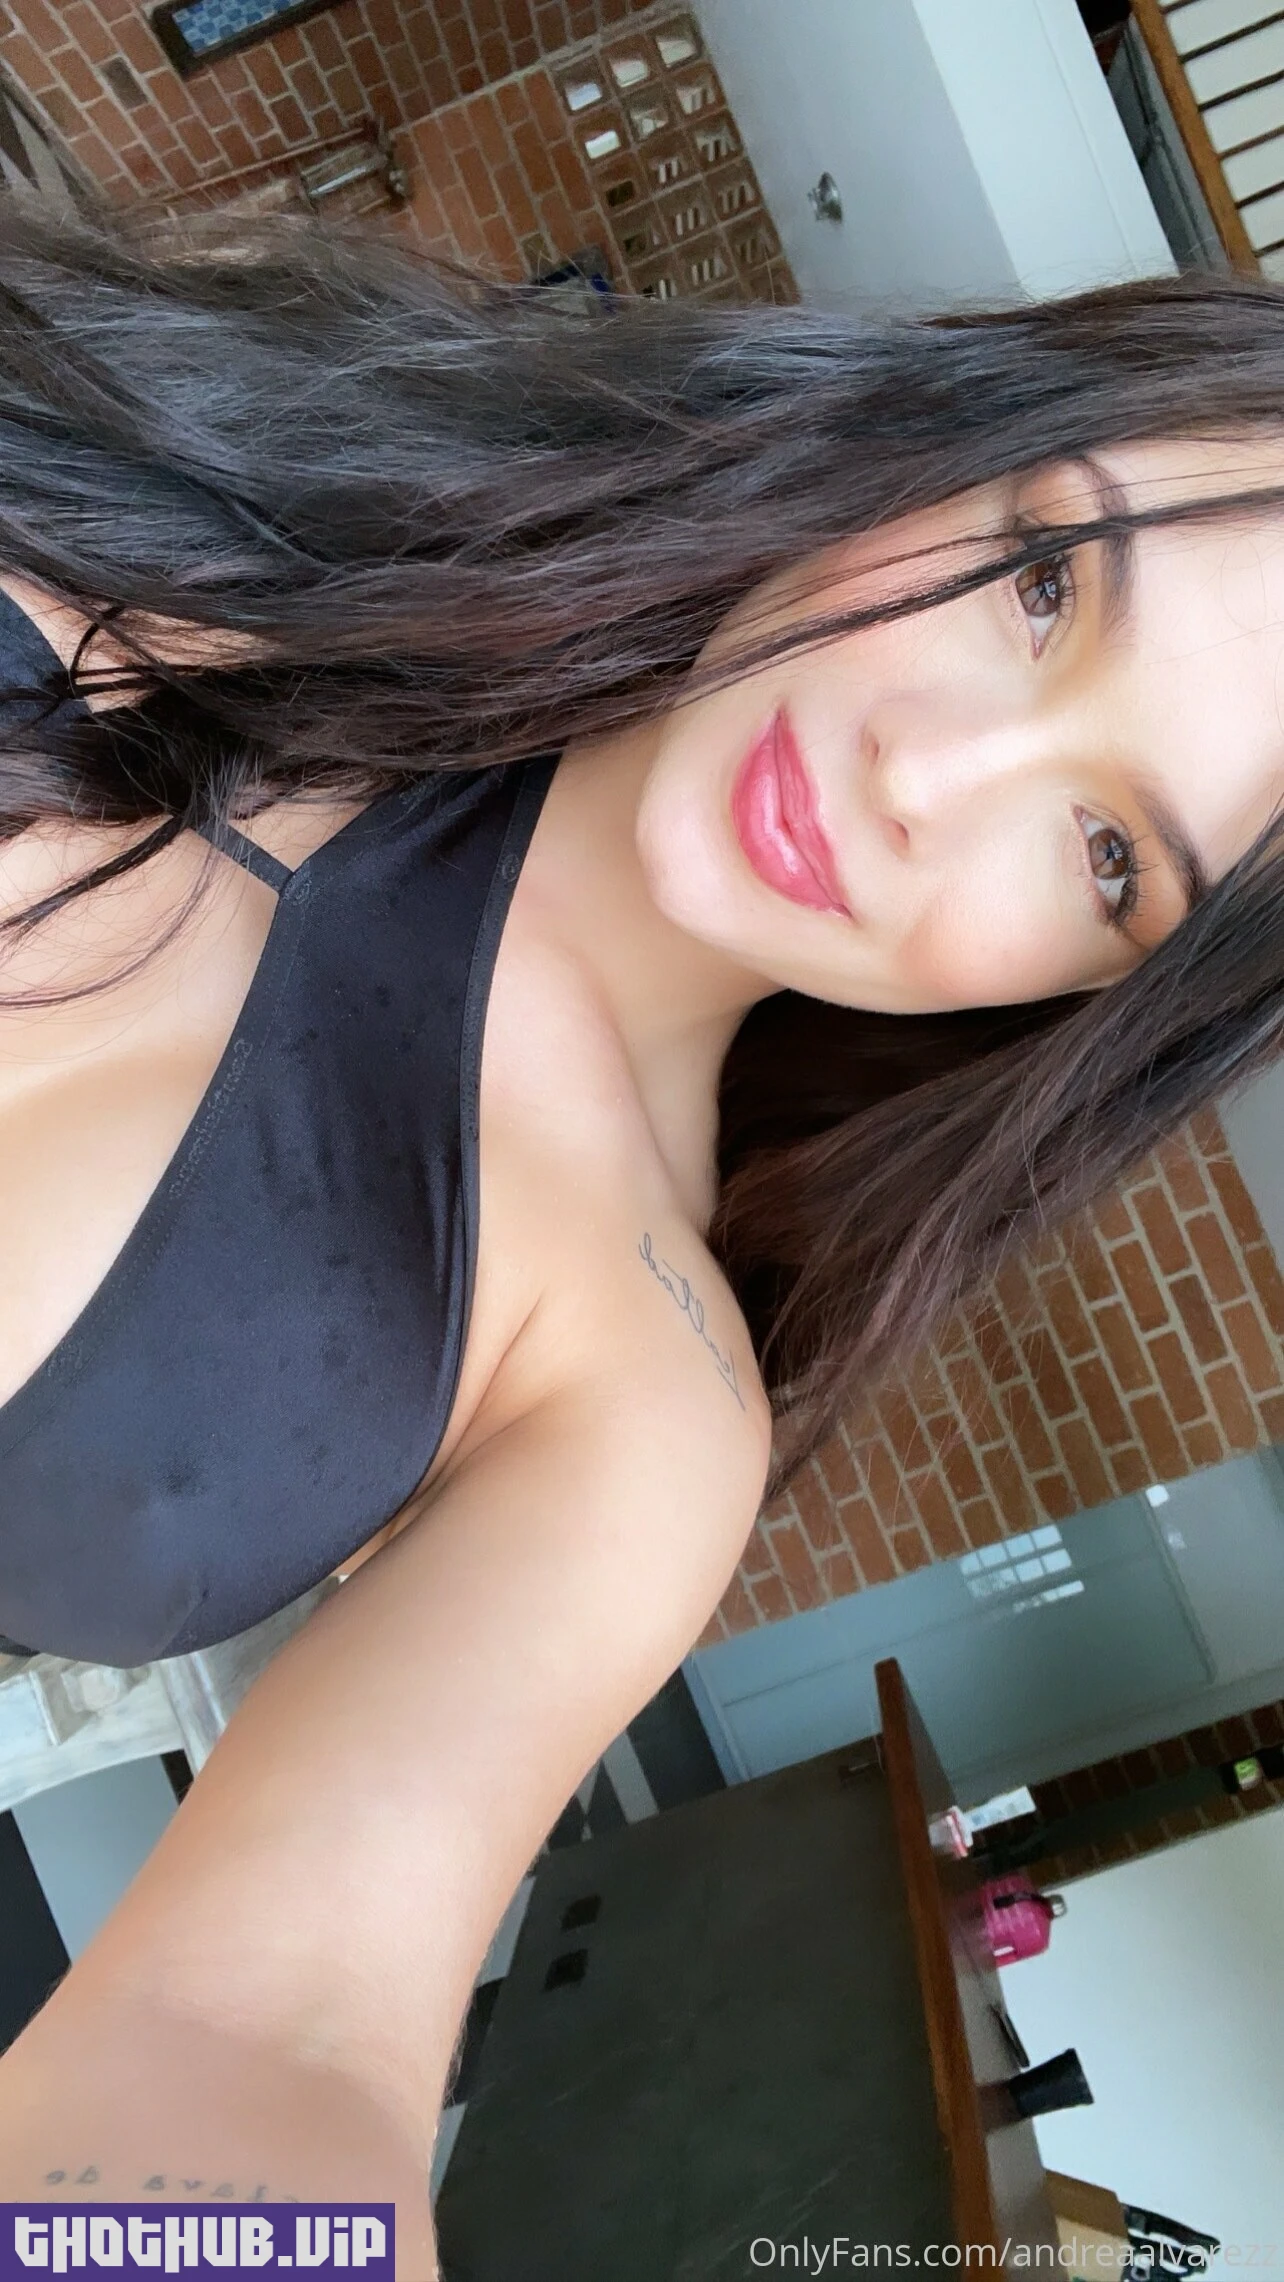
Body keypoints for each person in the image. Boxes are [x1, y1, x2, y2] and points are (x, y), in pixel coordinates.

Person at [0, 190, 1282, 2264]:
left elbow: (270, 2030)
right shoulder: (278, 417)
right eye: (1045, 577)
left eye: (1109, 852)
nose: (929, 777)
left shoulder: (635, 1393)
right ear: (949, 439)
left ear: (1086, 1000)